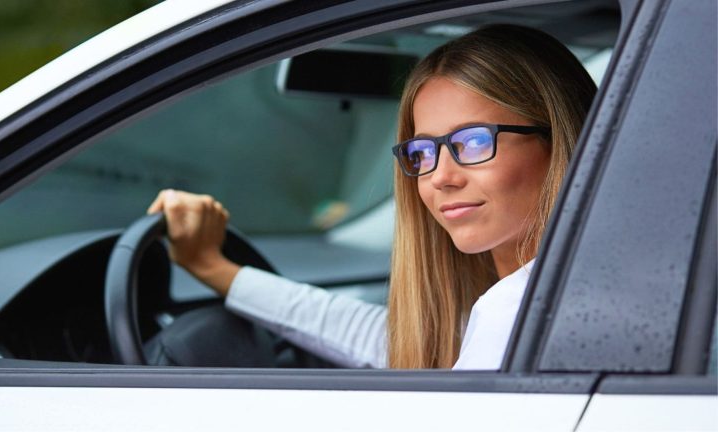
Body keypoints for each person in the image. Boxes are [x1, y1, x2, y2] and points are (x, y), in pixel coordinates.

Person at [147, 24, 597, 370]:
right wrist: (215, 268)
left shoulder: (514, 311)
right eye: (422, 152)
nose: (440, 177)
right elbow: (410, 347)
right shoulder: (558, 298)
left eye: (474, 142)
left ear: (560, 140)